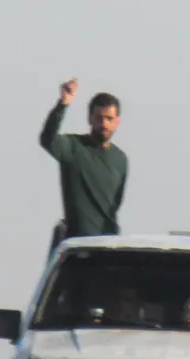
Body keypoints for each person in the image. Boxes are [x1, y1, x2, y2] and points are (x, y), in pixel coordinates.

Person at [39, 77, 128, 251]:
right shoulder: (73, 148)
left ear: (117, 121)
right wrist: (63, 104)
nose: (104, 124)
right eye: (99, 118)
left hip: (108, 247)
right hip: (77, 247)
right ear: (90, 118)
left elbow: (114, 205)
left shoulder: (120, 159)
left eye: (109, 118)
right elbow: (47, 139)